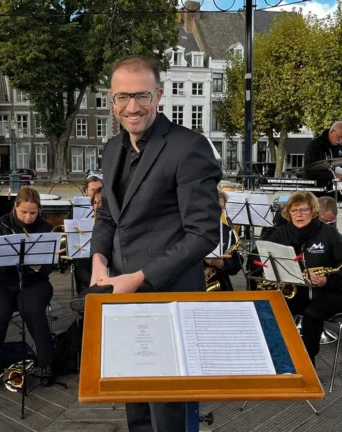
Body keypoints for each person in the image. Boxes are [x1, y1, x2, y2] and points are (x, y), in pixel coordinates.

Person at [90, 55, 222, 432]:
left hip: (170, 294)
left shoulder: (189, 146)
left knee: (170, 411)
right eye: (122, 97)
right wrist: (99, 259)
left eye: (141, 95)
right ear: (111, 100)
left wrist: (140, 277)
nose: (132, 107)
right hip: (121, 293)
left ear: (159, 95)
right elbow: (107, 216)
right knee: (136, 404)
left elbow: (203, 234)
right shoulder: (113, 148)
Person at [261, 192, 342, 366]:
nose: (298, 214)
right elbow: (260, 257)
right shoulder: (282, 233)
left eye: (303, 210)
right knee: (272, 311)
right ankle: (280, 357)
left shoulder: (330, 234)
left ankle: (308, 362)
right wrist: (268, 270)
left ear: (313, 211)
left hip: (329, 293)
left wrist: (326, 280)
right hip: (296, 292)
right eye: (294, 211)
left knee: (312, 314)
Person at [0, 188, 57, 389]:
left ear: (39, 209)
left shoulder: (46, 228)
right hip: (0, 282)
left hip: (33, 282)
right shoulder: (0, 223)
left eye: (33, 213)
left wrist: (41, 266)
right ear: (15, 207)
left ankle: (47, 363)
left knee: (32, 309)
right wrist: (3, 262)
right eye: (24, 212)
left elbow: (53, 264)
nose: (28, 217)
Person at [204, 192, 242, 291]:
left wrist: (221, 263)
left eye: (222, 207)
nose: (219, 211)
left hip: (218, 283)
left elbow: (236, 264)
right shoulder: (190, 228)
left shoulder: (228, 232)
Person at [304, 121, 342, 186]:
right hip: (315, 188)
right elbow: (309, 171)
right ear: (332, 131)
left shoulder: (341, 146)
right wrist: (333, 176)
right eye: (339, 137)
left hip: (335, 187)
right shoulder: (314, 145)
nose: (341, 140)